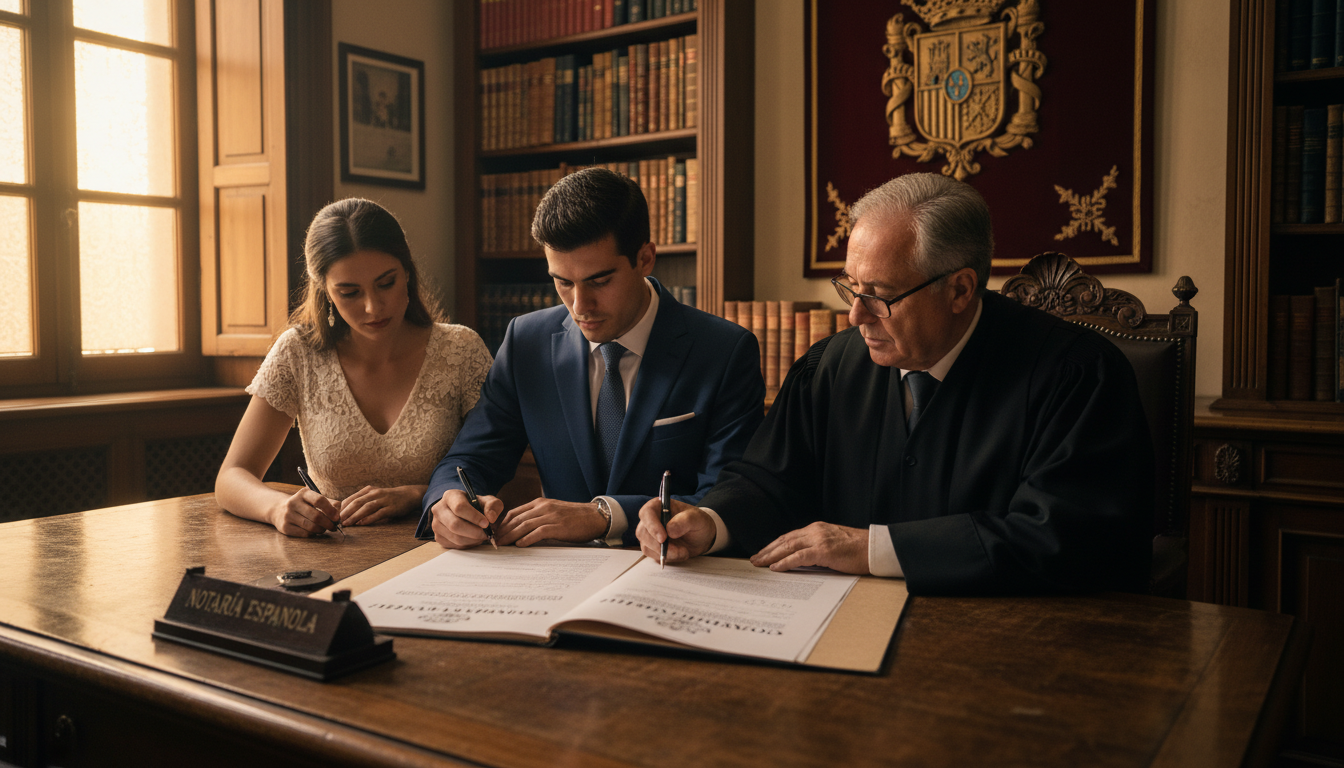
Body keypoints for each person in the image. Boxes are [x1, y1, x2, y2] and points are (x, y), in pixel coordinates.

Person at [636, 173, 1154, 595]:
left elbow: (1062, 537)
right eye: (850, 288)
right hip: (843, 632)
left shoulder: (1075, 375)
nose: (857, 315)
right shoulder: (832, 367)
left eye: (880, 295)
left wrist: (873, 549)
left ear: (960, 289)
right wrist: (709, 520)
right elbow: (770, 481)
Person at [419, 167, 765, 549]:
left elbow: (727, 499)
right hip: (556, 582)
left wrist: (603, 515)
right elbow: (468, 460)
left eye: (600, 281)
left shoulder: (725, 352)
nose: (580, 306)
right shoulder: (526, 342)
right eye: (563, 282)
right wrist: (448, 501)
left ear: (645, 258)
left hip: (673, 574)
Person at [216, 198, 492, 537]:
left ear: (407, 271)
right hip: (336, 551)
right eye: (349, 292)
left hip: (443, 547)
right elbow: (231, 476)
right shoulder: (298, 353)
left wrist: (418, 494)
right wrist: (276, 508)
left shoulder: (461, 350)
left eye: (386, 283)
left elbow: (493, 468)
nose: (373, 307)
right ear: (326, 292)